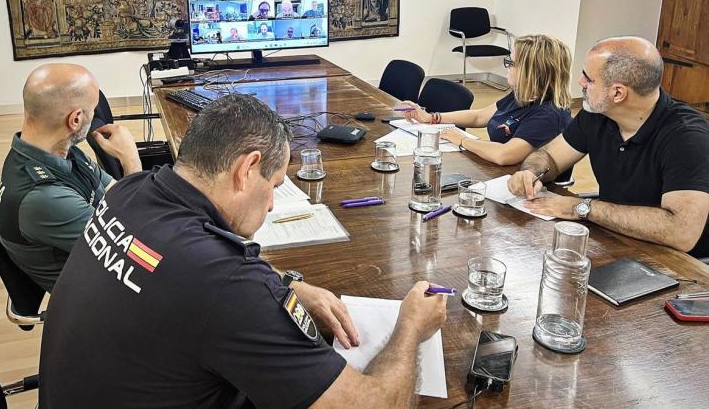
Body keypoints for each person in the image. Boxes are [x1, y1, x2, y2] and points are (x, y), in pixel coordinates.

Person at [39, 94, 447, 408]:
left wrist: (287, 286)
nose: (270, 205)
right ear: (247, 169)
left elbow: (174, 271)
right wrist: (410, 328)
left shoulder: (129, 192)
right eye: (274, 185)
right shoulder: (227, 286)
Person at [507, 36, 709, 257]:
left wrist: (582, 208)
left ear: (618, 93)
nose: (580, 83)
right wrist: (531, 172)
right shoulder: (597, 114)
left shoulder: (687, 137)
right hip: (615, 236)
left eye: (588, 78)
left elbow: (681, 232)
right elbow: (550, 156)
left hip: (676, 262)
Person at [0, 63, 142, 293]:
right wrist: (131, 160)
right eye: (93, 109)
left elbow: (113, 190)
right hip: (100, 294)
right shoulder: (44, 198)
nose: (96, 117)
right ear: (76, 120)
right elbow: (134, 245)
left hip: (103, 263)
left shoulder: (58, 151)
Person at [403, 34, 573, 166]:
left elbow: (504, 155)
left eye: (511, 62)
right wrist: (432, 117)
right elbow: (480, 116)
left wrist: (462, 140)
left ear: (533, 71)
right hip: (498, 171)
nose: (507, 67)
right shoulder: (524, 95)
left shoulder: (548, 114)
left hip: (523, 186)